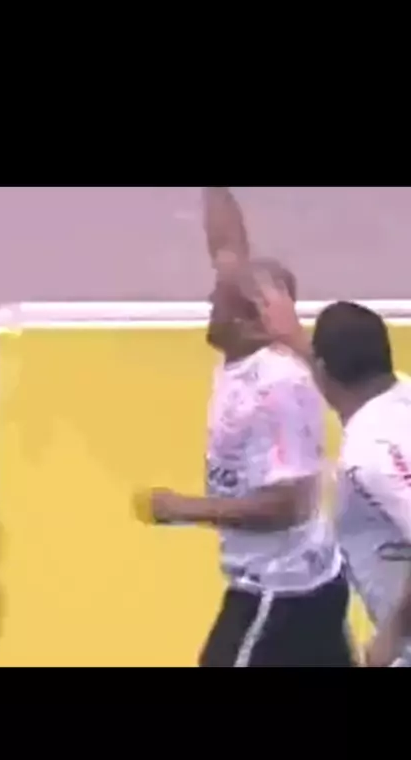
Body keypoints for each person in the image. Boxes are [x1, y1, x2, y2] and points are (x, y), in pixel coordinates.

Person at [134, 188, 353, 667]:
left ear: (254, 323)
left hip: (281, 591)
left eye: (222, 301)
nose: (210, 299)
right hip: (305, 580)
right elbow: (228, 246)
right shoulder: (242, 345)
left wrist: (183, 508)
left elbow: (289, 505)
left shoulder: (277, 387)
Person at [254, 286, 411, 666]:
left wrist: (393, 634)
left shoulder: (371, 452)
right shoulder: (399, 392)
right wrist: (293, 337)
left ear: (324, 370)